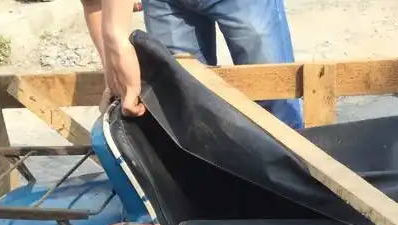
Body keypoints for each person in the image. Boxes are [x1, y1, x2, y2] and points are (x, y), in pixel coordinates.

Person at [92, 0, 304, 129]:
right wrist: (112, 65)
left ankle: (291, 183)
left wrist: (115, 41)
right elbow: (92, 4)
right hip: (165, 4)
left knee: (275, 100)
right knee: (185, 107)